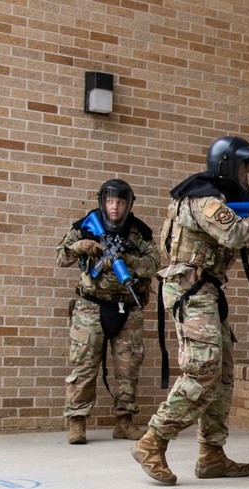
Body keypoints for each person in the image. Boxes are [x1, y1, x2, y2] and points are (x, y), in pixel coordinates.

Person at [131, 136, 249, 485]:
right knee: (203, 370)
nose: (247, 174)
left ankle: (212, 455)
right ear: (226, 165)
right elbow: (237, 234)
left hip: (206, 289)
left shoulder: (218, 200)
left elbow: (238, 249)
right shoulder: (202, 198)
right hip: (192, 290)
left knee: (221, 374)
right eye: (243, 167)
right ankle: (152, 441)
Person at [56, 179, 161, 445]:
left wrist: (127, 260)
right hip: (91, 304)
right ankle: (77, 422)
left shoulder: (140, 232)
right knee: (84, 365)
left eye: (120, 202)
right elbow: (61, 257)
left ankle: (124, 422)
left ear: (128, 204)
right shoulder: (84, 227)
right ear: (102, 201)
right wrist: (79, 247)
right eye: (110, 201)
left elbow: (153, 265)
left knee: (129, 367)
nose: (114, 207)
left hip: (129, 306)